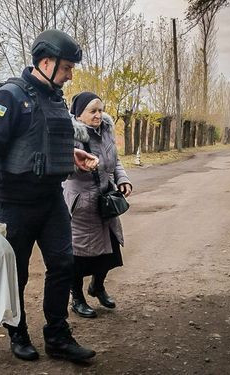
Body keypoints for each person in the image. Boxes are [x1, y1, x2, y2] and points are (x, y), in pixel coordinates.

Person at [0, 30, 99, 362]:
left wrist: (71, 154)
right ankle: (18, 332)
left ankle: (57, 337)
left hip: (51, 198)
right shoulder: (9, 96)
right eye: (67, 67)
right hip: (13, 202)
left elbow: (39, 138)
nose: (70, 75)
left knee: (63, 265)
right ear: (46, 62)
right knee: (17, 274)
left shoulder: (54, 97)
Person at [63, 92, 132, 318]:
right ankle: (77, 298)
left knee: (109, 249)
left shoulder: (106, 131)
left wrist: (122, 179)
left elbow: (115, 161)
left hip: (105, 199)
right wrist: (79, 167)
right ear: (79, 114)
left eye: (100, 110)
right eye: (93, 111)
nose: (98, 115)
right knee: (79, 255)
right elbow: (64, 170)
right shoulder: (70, 135)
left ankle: (97, 286)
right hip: (80, 202)